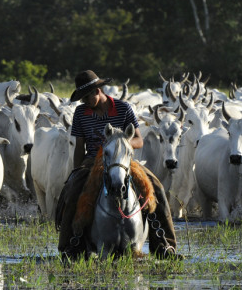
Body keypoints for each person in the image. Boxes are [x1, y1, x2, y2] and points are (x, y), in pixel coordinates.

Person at [55, 70, 180, 260]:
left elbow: (139, 140)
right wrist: (76, 171)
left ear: (97, 91)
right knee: (72, 192)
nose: (84, 102)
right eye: (82, 98)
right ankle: (70, 246)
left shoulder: (123, 108)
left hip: (123, 159)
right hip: (93, 160)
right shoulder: (81, 113)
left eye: (86, 97)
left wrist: (122, 144)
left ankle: (165, 245)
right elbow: (80, 146)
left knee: (156, 188)